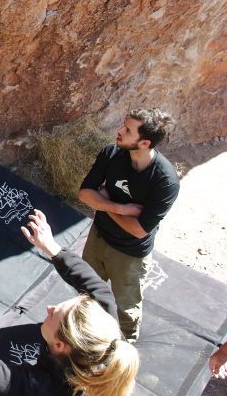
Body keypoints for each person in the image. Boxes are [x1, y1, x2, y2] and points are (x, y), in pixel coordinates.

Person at [0, 209, 139, 396]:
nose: (49, 308)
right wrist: (53, 248)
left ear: (60, 345)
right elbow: (99, 291)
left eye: (54, 314)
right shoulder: (104, 336)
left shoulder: (27, 389)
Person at [77, 108, 180, 341]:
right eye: (123, 125)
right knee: (85, 290)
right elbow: (84, 194)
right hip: (99, 237)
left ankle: (124, 347)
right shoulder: (112, 153)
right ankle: (81, 334)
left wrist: (103, 201)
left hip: (130, 253)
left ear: (144, 143)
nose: (119, 131)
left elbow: (139, 229)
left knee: (125, 306)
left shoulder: (165, 181)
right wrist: (119, 208)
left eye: (127, 130)